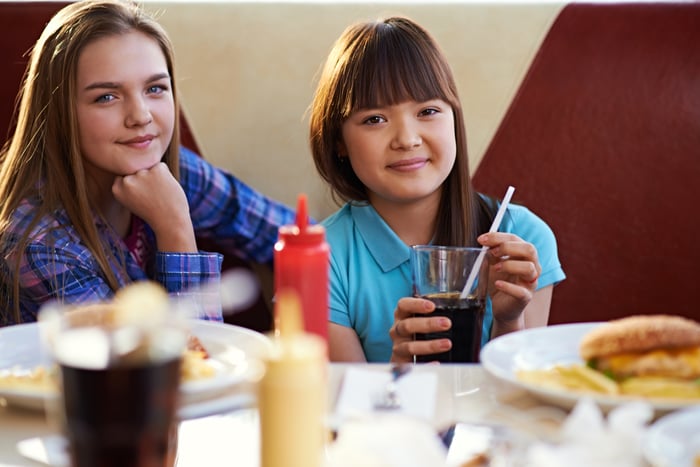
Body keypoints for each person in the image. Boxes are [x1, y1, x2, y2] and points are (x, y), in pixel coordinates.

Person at [0, 0, 296, 326]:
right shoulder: (38, 248)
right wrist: (176, 229)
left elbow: (291, 234)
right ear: (59, 114)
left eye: (155, 88)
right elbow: (183, 367)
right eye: (106, 97)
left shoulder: (168, 170)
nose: (141, 116)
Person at [308, 16, 566, 363]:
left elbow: (519, 404)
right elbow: (341, 411)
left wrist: (508, 320)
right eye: (375, 119)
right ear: (339, 140)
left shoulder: (523, 238)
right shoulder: (317, 258)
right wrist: (399, 371)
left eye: (428, 111)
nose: (407, 139)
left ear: (454, 120)